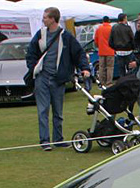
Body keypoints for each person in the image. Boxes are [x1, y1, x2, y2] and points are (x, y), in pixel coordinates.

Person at [26, 7, 91, 148]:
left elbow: (78, 53)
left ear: (52, 19)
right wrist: (33, 68)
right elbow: (30, 52)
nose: (43, 20)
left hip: (58, 79)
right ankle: (44, 141)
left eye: (45, 17)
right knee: (42, 111)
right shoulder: (40, 34)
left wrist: (85, 68)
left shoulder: (66, 36)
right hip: (42, 77)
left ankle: (58, 139)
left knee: (58, 111)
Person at [110, 14, 135, 79]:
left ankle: (122, 83)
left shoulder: (114, 28)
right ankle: (129, 82)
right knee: (130, 69)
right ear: (124, 19)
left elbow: (110, 42)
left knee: (121, 71)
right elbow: (132, 39)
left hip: (119, 51)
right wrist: (133, 48)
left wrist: (115, 48)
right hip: (128, 51)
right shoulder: (128, 28)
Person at [94, 16, 115, 85]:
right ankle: (109, 82)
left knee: (101, 67)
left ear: (102, 21)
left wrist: (99, 46)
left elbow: (96, 41)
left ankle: (101, 82)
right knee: (110, 67)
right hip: (110, 51)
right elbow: (114, 40)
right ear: (109, 21)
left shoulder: (99, 29)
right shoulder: (111, 29)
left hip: (101, 51)